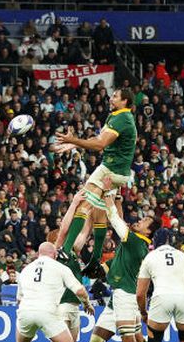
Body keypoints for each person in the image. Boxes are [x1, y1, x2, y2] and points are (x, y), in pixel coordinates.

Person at [51, 88, 138, 272]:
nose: (111, 97)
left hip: (110, 169)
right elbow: (98, 139)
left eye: (115, 96)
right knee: (98, 212)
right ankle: (95, 261)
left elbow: (99, 144)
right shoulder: (116, 115)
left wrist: (74, 140)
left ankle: (66, 250)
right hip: (118, 171)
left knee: (83, 203)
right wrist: (73, 143)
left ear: (125, 102)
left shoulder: (122, 118)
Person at [85, 180, 159, 342]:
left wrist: (108, 194)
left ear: (148, 231)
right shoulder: (133, 242)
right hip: (116, 298)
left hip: (126, 295)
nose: (139, 220)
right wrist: (117, 198)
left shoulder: (136, 242)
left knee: (129, 339)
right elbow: (121, 220)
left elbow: (115, 220)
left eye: (144, 221)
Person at [11, 242, 93, 342]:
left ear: (38, 254)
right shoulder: (60, 268)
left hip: (25, 311)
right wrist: (87, 303)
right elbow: (80, 290)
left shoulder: (26, 270)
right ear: (55, 255)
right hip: (47, 310)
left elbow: (19, 298)